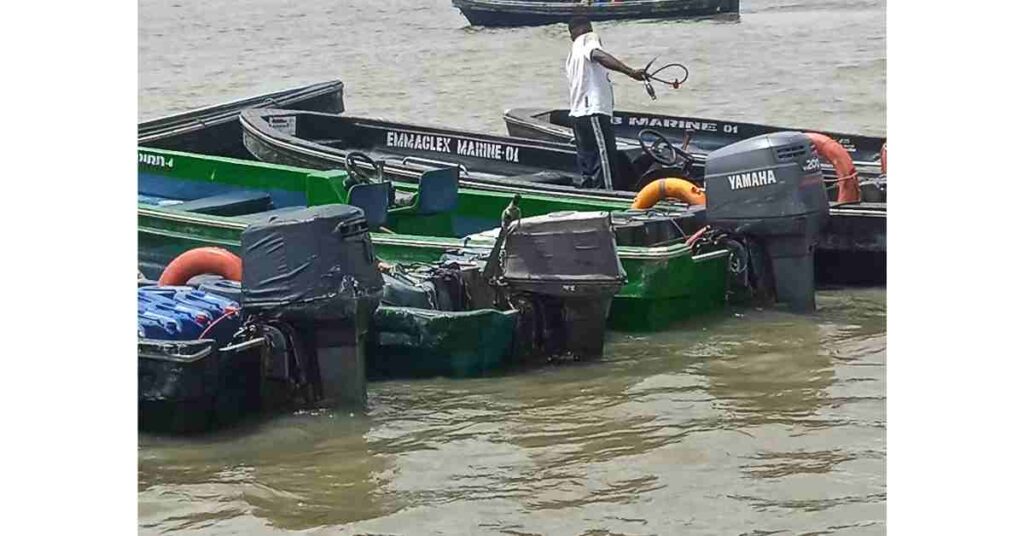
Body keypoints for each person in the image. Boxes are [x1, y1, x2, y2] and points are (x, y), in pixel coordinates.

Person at [565, 16, 645, 190]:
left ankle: (589, 193)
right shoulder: (588, 38)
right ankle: (609, 195)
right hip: (593, 112)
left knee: (588, 161)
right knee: (605, 159)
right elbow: (598, 54)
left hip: (578, 114)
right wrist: (630, 72)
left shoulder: (572, 53)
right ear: (584, 28)